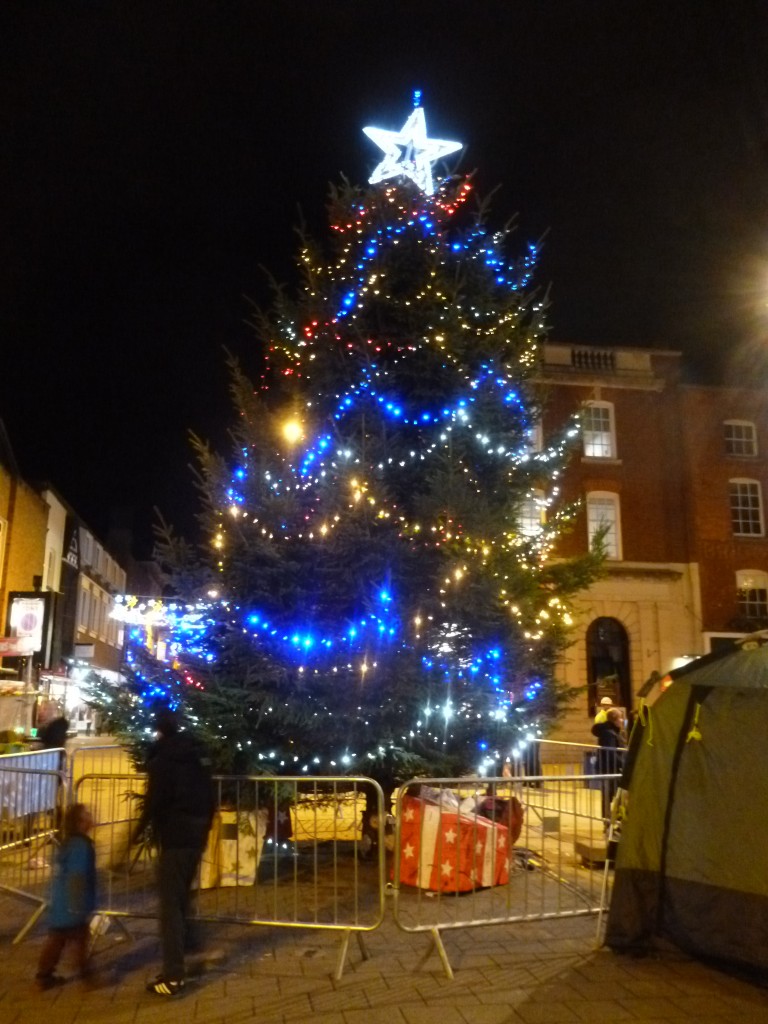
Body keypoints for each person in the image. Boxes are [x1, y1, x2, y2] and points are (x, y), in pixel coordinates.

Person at [133, 708, 215, 997]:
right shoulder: (195, 753)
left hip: (176, 837)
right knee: (181, 897)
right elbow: (211, 794)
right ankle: (189, 944)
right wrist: (205, 829)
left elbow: (155, 801)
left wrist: (135, 835)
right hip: (196, 835)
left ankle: (173, 976)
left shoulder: (162, 759)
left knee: (170, 906)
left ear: (158, 730)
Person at [35, 802, 96, 990]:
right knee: (79, 938)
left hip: (61, 904)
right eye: (87, 815)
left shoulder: (68, 843)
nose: (92, 817)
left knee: (57, 940)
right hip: (71, 905)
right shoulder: (80, 846)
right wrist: (78, 905)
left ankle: (44, 975)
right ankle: (86, 975)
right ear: (80, 822)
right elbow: (77, 877)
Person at [591, 708, 626, 825]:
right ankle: (607, 821)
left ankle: (614, 819)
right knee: (608, 795)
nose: (623, 720)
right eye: (621, 718)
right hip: (608, 769)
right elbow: (611, 753)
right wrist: (623, 764)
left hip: (611, 768)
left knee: (614, 795)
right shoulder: (609, 733)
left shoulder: (613, 731)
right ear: (615, 719)